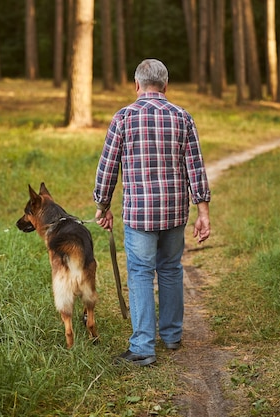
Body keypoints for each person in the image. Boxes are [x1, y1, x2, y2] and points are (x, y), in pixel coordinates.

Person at [93, 58, 211, 366]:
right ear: (165, 86)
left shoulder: (123, 118)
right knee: (170, 268)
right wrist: (203, 211)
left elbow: (107, 168)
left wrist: (102, 205)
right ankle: (171, 336)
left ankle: (143, 348)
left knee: (141, 273)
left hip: (140, 215)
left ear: (136, 85)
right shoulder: (182, 117)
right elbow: (195, 167)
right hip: (174, 212)